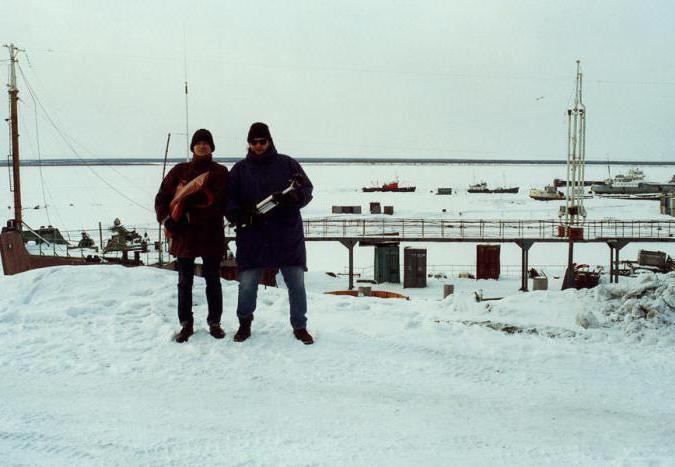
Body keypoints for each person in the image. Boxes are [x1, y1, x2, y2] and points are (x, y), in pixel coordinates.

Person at [225, 122, 314, 344]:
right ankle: (244, 324)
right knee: (247, 285)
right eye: (253, 142)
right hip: (252, 237)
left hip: (286, 236)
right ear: (249, 143)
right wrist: (237, 214)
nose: (258, 146)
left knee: (296, 284)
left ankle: (300, 326)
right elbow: (228, 198)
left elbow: (306, 189)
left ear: (269, 141)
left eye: (262, 141)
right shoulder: (239, 170)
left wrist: (293, 198)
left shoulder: (287, 163)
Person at [155, 129, 229, 343]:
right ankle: (186, 324)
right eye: (199, 142)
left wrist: (192, 208)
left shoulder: (220, 172)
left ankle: (214, 322)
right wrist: (166, 219)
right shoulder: (180, 171)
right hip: (183, 235)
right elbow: (161, 198)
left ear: (212, 147)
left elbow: (220, 202)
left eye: (207, 142)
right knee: (184, 281)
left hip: (211, 234)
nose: (203, 145)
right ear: (193, 147)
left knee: (213, 280)